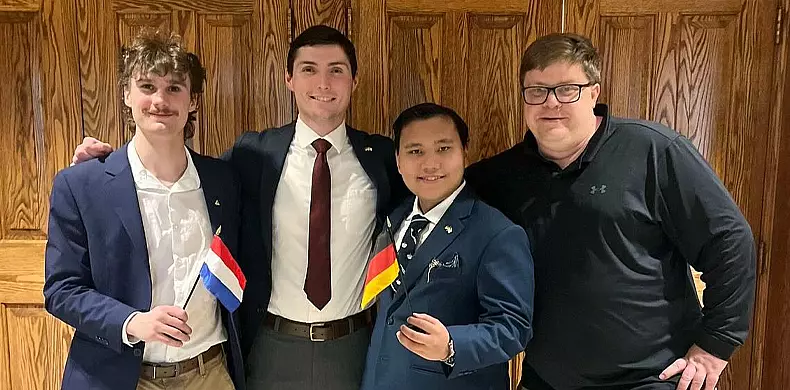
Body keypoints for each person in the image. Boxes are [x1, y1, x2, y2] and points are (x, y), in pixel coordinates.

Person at [71, 25, 409, 390]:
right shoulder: (254, 155)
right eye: (309, 69)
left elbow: (430, 194)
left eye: (336, 70)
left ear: (354, 80)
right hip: (269, 343)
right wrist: (108, 170)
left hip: (354, 342)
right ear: (289, 80)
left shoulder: (382, 158)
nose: (323, 84)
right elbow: (179, 175)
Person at [466, 33, 756, 390]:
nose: (550, 103)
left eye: (567, 89)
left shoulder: (653, 150)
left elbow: (729, 240)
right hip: (547, 379)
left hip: (653, 377)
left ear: (594, 92)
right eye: (537, 90)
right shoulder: (498, 177)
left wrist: (716, 344)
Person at [44, 31, 244, 390]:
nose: (160, 100)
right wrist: (132, 322)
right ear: (126, 94)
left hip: (209, 374)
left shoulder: (224, 181)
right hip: (118, 376)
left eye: (174, 88)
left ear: (193, 99)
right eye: (147, 86)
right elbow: (61, 289)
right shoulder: (81, 184)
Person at [361, 103, 534, 390]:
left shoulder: (497, 232)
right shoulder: (393, 217)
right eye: (415, 151)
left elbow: (514, 327)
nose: (430, 164)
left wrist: (451, 346)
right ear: (399, 160)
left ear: (465, 152)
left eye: (443, 149)